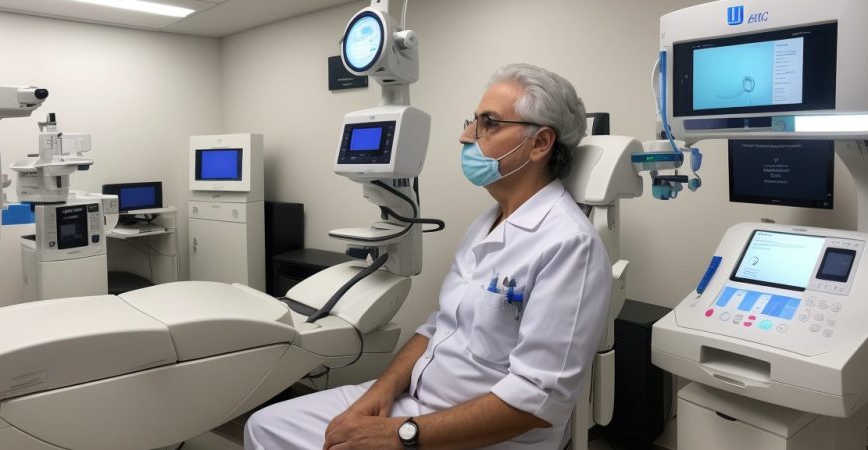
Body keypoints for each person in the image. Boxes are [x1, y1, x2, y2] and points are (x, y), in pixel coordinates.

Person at [245, 63, 612, 450]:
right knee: (265, 427)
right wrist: (379, 393)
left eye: (488, 123)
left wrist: (402, 434)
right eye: (472, 121)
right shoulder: (486, 224)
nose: (465, 136)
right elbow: (437, 328)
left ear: (539, 143)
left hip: (480, 437)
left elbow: (536, 400)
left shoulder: (569, 246)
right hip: (415, 406)